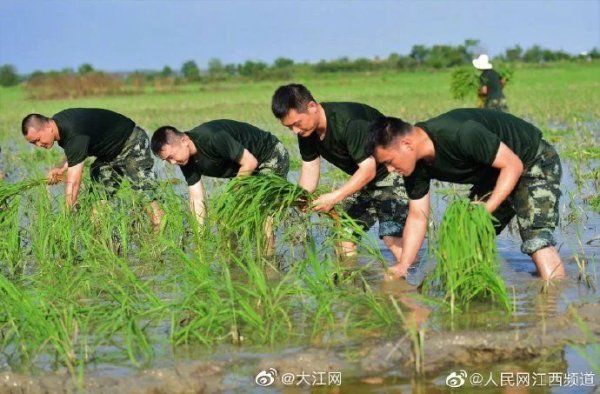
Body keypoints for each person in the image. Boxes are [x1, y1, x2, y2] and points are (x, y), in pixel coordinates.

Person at [366, 108, 565, 281]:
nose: (390, 170)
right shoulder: (415, 167)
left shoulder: (460, 133)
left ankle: (553, 302)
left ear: (407, 144)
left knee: (536, 238)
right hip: (494, 174)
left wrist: (485, 211)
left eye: (390, 161)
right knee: (464, 236)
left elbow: (513, 165)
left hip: (532, 160)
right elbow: (418, 216)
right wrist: (403, 265)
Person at [271, 84, 408, 262]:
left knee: (391, 235)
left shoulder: (349, 122)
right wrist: (297, 200)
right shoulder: (306, 133)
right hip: (369, 178)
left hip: (398, 171)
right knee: (344, 233)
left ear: (311, 107)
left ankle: (411, 280)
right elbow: (310, 170)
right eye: (289, 127)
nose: (295, 130)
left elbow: (368, 169)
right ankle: (352, 281)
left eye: (297, 123)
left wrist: (334, 197)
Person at [21, 108, 163, 226]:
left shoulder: (73, 131)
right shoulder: (58, 124)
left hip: (131, 142)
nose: (39, 145)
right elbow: (75, 152)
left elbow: (74, 182)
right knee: (98, 194)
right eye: (34, 143)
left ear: (47, 127)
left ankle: (159, 225)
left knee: (144, 191)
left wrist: (66, 215)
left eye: (38, 140)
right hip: (109, 154)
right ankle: (99, 234)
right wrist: (60, 168)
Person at [150, 119, 289, 240]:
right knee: (226, 218)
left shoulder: (212, 138)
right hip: (246, 169)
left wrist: (232, 193)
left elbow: (250, 162)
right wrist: (200, 235)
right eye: (167, 160)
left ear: (184, 140)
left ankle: (269, 257)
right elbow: (196, 198)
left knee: (263, 215)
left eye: (171, 156)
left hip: (269, 154)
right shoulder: (184, 160)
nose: (172, 163)